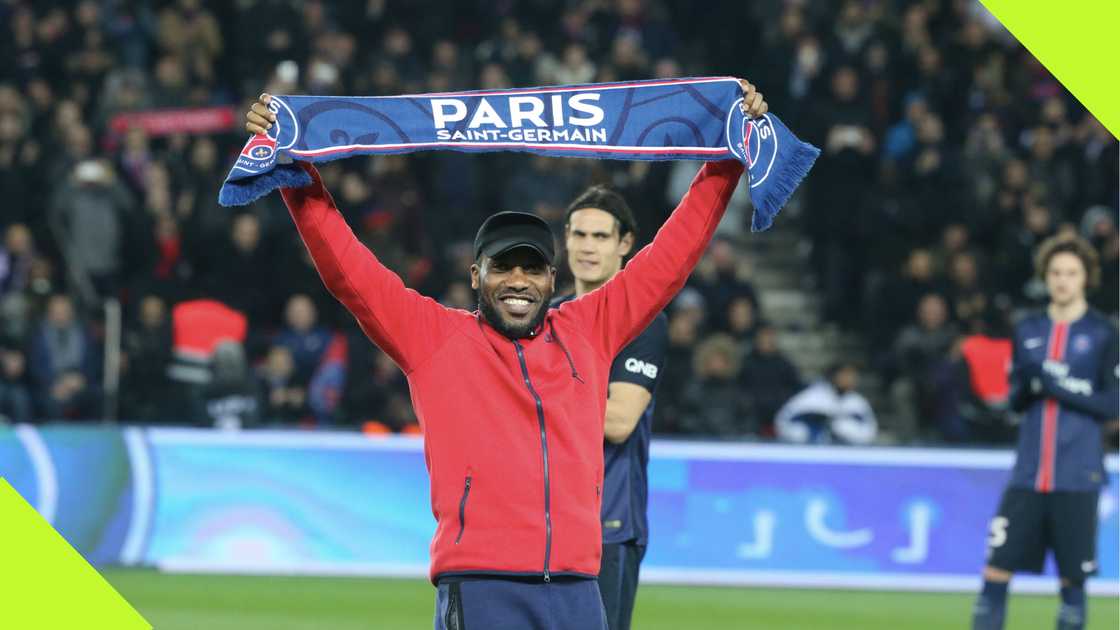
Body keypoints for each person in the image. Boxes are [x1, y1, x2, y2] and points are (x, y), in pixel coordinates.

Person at [246, 80, 767, 629]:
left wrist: (726, 162)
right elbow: (347, 270)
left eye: (532, 267)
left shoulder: (589, 328)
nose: (518, 280)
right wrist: (298, 175)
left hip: (577, 590)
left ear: (552, 276)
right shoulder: (435, 337)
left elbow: (672, 256)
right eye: (503, 266)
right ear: (477, 275)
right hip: (481, 587)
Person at [971, 235, 1119, 630]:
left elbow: (1112, 405)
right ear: (1045, 277)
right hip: (1027, 476)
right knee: (995, 572)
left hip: (1078, 476)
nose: (1062, 280)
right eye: (1055, 272)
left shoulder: (1104, 333)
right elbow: (1016, 402)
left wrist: (1054, 385)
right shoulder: (1027, 329)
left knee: (1073, 582)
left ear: (1086, 278)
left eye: (1071, 272)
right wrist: (1026, 387)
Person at [551, 185, 667, 630]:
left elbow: (619, 421)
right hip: (545, 520)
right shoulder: (548, 318)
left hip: (609, 524)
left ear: (625, 244)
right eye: (579, 235)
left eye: (600, 237)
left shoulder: (641, 320)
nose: (586, 247)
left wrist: (539, 395)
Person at [774, 362, 878, 445]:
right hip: (811, 453)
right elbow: (784, 422)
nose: (850, 379)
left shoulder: (858, 402)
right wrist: (810, 433)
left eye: (852, 376)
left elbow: (869, 432)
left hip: (847, 455)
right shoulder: (811, 397)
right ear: (834, 376)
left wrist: (842, 429)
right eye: (845, 375)